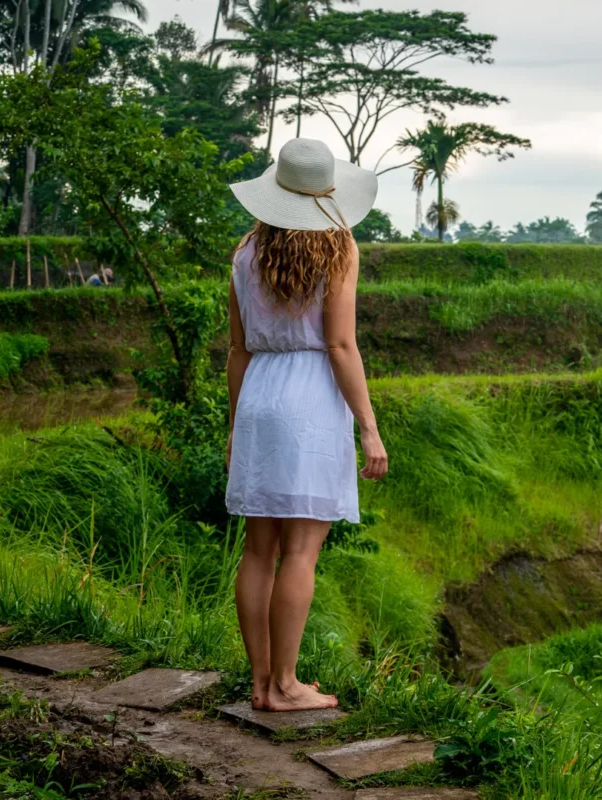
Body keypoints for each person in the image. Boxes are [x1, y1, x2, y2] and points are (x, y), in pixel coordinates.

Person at [225, 138, 388, 712]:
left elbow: (238, 350)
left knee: (258, 550)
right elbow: (341, 345)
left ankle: (262, 683)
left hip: (259, 398)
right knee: (301, 552)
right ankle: (288, 686)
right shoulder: (339, 248)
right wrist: (368, 427)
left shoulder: (246, 252)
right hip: (311, 399)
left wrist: (235, 430)